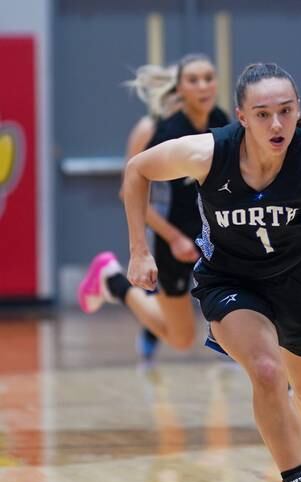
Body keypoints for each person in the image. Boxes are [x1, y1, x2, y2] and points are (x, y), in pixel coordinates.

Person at [116, 62, 301, 482]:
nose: (277, 125)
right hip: (230, 281)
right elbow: (137, 169)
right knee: (268, 372)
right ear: (243, 116)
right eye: (264, 114)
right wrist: (140, 250)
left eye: (286, 112)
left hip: (298, 281)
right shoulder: (210, 151)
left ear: (297, 112)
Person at [78, 54, 229, 365]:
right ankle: (113, 281)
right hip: (169, 238)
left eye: (209, 78)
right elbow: (128, 193)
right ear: (180, 88)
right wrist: (173, 238)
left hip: (210, 239)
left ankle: (282, 374)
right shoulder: (153, 130)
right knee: (183, 339)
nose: (203, 86)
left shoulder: (223, 123)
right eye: (193, 80)